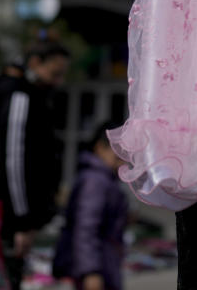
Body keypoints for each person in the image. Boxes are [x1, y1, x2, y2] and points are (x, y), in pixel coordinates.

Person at [0, 41, 70, 289]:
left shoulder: (28, 93)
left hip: (4, 215)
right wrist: (21, 220)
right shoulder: (19, 94)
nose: (58, 81)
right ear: (35, 62)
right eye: (55, 73)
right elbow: (14, 160)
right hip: (4, 217)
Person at [53, 122, 129, 290]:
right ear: (99, 147)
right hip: (96, 268)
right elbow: (86, 228)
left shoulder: (104, 179)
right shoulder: (95, 181)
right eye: (117, 153)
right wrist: (90, 272)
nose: (122, 159)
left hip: (104, 263)